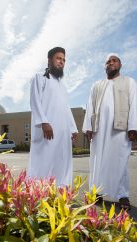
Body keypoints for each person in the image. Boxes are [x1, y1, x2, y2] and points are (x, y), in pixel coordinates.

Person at [82, 53, 137, 210]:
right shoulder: (97, 85)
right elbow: (90, 106)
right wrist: (88, 127)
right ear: (104, 66)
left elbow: (134, 104)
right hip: (99, 129)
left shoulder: (129, 82)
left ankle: (122, 195)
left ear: (120, 64)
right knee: (97, 161)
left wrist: (133, 127)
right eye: (108, 61)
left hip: (120, 129)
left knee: (119, 161)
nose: (111, 63)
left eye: (114, 61)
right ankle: (96, 192)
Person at [28, 47, 78, 186]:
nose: (61, 62)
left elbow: (66, 108)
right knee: (43, 160)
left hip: (62, 131)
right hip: (46, 129)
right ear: (49, 60)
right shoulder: (40, 78)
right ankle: (38, 193)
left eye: (63, 60)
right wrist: (44, 122)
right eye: (58, 58)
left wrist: (73, 128)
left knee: (61, 161)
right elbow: (35, 101)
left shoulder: (62, 86)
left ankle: (59, 192)